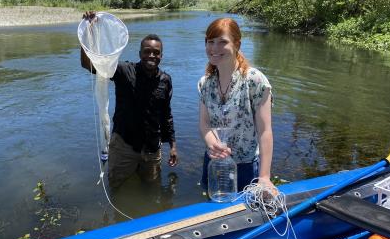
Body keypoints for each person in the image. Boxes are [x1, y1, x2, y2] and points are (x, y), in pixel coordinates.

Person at [80, 12, 178, 188]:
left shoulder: (165, 80)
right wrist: (88, 31)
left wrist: (172, 145)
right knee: (117, 187)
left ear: (161, 56)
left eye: (156, 53)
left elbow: (166, 115)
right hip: (124, 146)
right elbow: (89, 65)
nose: (151, 56)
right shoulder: (124, 71)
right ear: (140, 53)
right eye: (147, 51)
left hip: (152, 148)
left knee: (152, 189)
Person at [198, 17, 276, 193]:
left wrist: (264, 177)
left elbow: (265, 131)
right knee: (212, 209)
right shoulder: (205, 83)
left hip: (245, 168)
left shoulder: (255, 80)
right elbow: (204, 124)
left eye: (222, 42)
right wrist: (211, 143)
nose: (214, 48)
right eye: (210, 42)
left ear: (237, 45)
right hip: (213, 162)